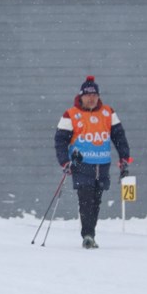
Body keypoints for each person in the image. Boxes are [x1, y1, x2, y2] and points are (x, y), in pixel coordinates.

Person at [55, 75, 132, 249]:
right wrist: (64, 161)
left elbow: (119, 137)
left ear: (98, 96)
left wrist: (124, 158)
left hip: (102, 164)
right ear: (81, 96)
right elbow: (60, 141)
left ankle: (90, 233)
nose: (91, 98)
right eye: (88, 95)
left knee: (96, 202)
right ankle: (87, 235)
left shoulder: (108, 113)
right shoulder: (71, 114)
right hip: (81, 164)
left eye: (94, 95)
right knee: (85, 199)